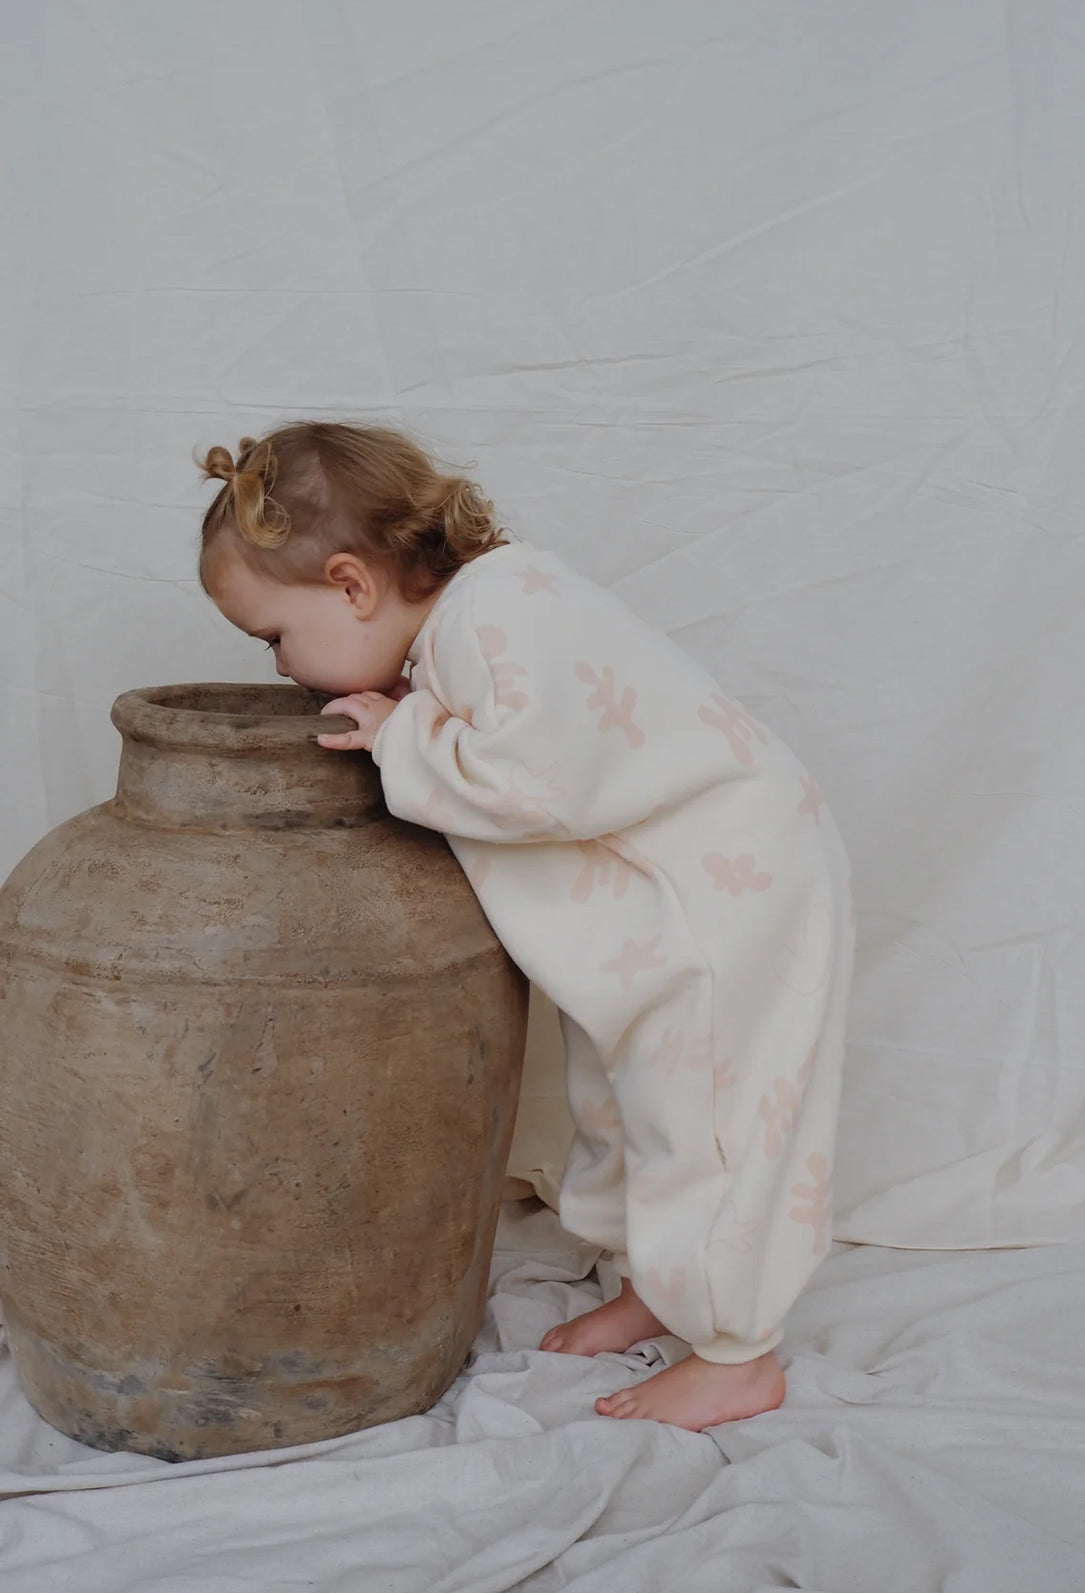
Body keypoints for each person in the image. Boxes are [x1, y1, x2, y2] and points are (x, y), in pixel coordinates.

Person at [196, 421, 855, 1433]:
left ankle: (735, 1349)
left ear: (351, 584)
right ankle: (656, 1286)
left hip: (733, 887)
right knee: (623, 1092)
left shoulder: (492, 616)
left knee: (711, 1113)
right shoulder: (471, 617)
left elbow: (535, 780)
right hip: (672, 882)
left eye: (274, 637)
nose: (283, 668)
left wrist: (403, 735)